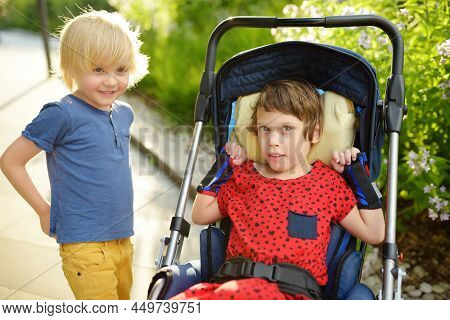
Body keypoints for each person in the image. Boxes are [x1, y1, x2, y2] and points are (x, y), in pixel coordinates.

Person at [171, 79, 385, 300]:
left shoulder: (328, 183)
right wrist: (224, 166)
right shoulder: (243, 175)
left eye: (287, 129)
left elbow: (374, 232)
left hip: (290, 294)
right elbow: (200, 214)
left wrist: (357, 175)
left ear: (314, 134)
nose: (273, 141)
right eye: (265, 129)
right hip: (231, 285)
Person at [0, 9, 149, 300]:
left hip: (123, 239)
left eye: (120, 69)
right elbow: (11, 161)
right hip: (84, 245)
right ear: (73, 67)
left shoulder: (124, 114)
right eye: (98, 70)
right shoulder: (61, 114)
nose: (110, 81)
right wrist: (44, 210)